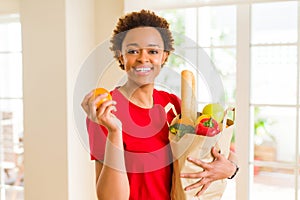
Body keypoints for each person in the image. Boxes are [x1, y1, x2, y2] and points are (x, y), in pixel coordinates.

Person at [81, 9, 238, 200]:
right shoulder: (106, 112)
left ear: (164, 56)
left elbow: (225, 151)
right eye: (132, 51)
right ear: (120, 56)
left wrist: (230, 169)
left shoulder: (174, 104)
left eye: (153, 51)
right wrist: (115, 132)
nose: (142, 58)